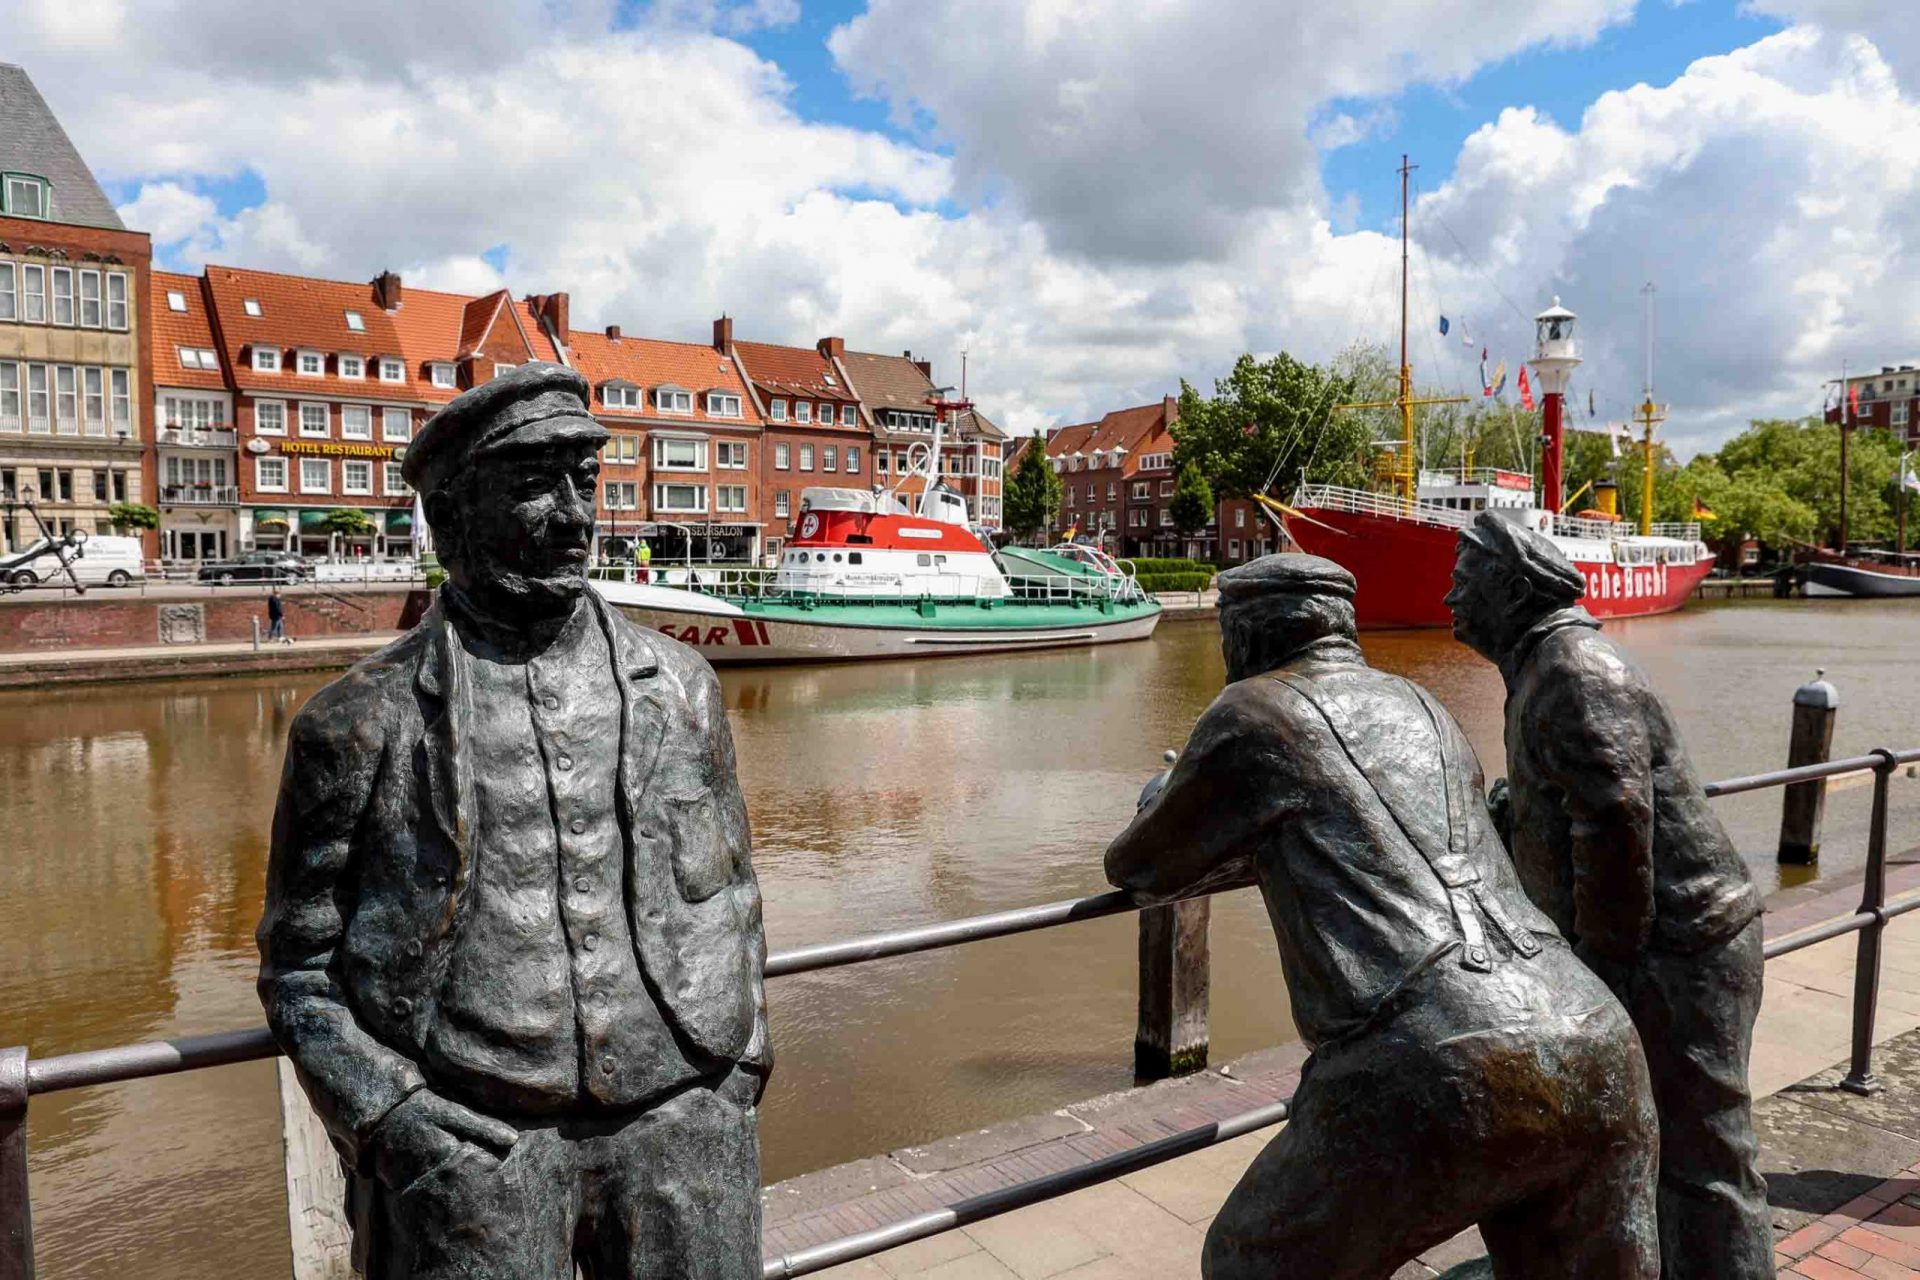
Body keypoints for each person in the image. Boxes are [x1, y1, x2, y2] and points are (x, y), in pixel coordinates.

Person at [257, 363, 771, 1280]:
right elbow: (298, 969)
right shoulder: (355, 722)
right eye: (536, 486)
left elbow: (729, 891)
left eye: (586, 483)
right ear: (449, 516)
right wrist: (391, 1116)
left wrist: (742, 1068)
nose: (575, 518)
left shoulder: (682, 688)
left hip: (685, 1128)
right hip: (472, 1151)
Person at [1106, 554, 1658, 1280]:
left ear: (1243, 633)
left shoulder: (1253, 711)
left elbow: (1141, 866)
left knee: (1253, 1259)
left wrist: (1164, 792)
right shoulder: (1422, 705)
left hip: (1440, 1059)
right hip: (1592, 1031)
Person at [1447, 511, 1770, 1280]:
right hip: (1651, 945)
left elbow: (1617, 820)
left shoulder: (1574, 671)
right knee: (1650, 1147)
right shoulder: (1542, 665)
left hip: (1677, 950)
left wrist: (1598, 972)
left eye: (1465, 582)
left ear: (1513, 592)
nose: (1450, 598)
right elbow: (1577, 800)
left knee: (1704, 1156)